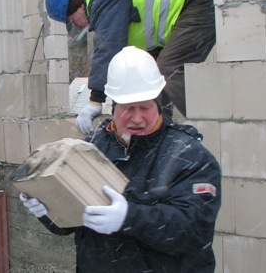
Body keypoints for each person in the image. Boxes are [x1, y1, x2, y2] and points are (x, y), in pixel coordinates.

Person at [20, 46, 221, 272]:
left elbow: (192, 231)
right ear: (113, 107)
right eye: (128, 108)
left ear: (159, 105)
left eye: (145, 107)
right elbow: (73, 223)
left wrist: (129, 217)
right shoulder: (93, 149)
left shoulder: (190, 156)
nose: (137, 118)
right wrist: (48, 209)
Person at [45, 0, 215, 132]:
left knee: (168, 69)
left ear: (78, 6)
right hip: (188, 8)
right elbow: (122, 65)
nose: (78, 26)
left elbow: (107, 49)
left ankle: (212, 128)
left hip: (197, 1)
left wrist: (95, 101)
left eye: (73, 21)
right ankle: (161, 138)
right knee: (153, 78)